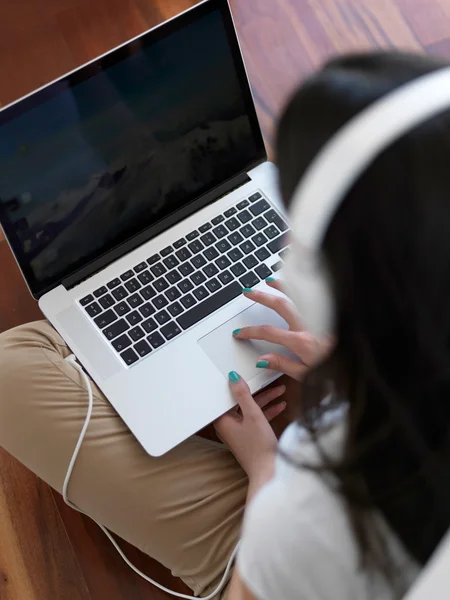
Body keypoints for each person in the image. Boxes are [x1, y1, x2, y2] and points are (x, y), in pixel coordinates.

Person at [1, 50, 449, 600]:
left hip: (284, 556)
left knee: (10, 371)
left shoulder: (316, 508)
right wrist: (357, 367)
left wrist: (265, 469)